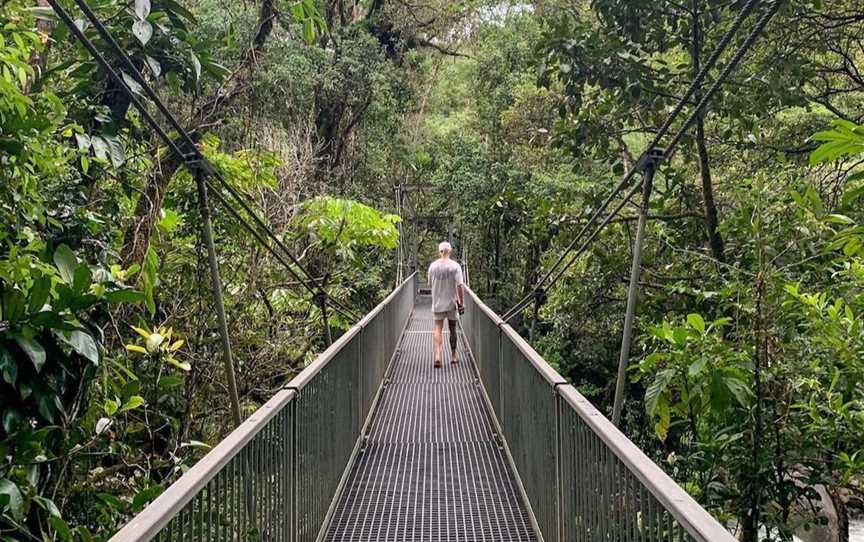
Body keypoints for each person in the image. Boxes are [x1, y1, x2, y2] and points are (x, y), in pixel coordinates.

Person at [428, 241, 465, 368]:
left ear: (439, 252)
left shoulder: (432, 266)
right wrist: (461, 303)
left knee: (438, 327)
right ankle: (453, 357)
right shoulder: (455, 267)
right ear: (450, 251)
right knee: (453, 329)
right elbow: (460, 285)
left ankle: (438, 356)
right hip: (451, 303)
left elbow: (430, 284)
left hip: (437, 302)